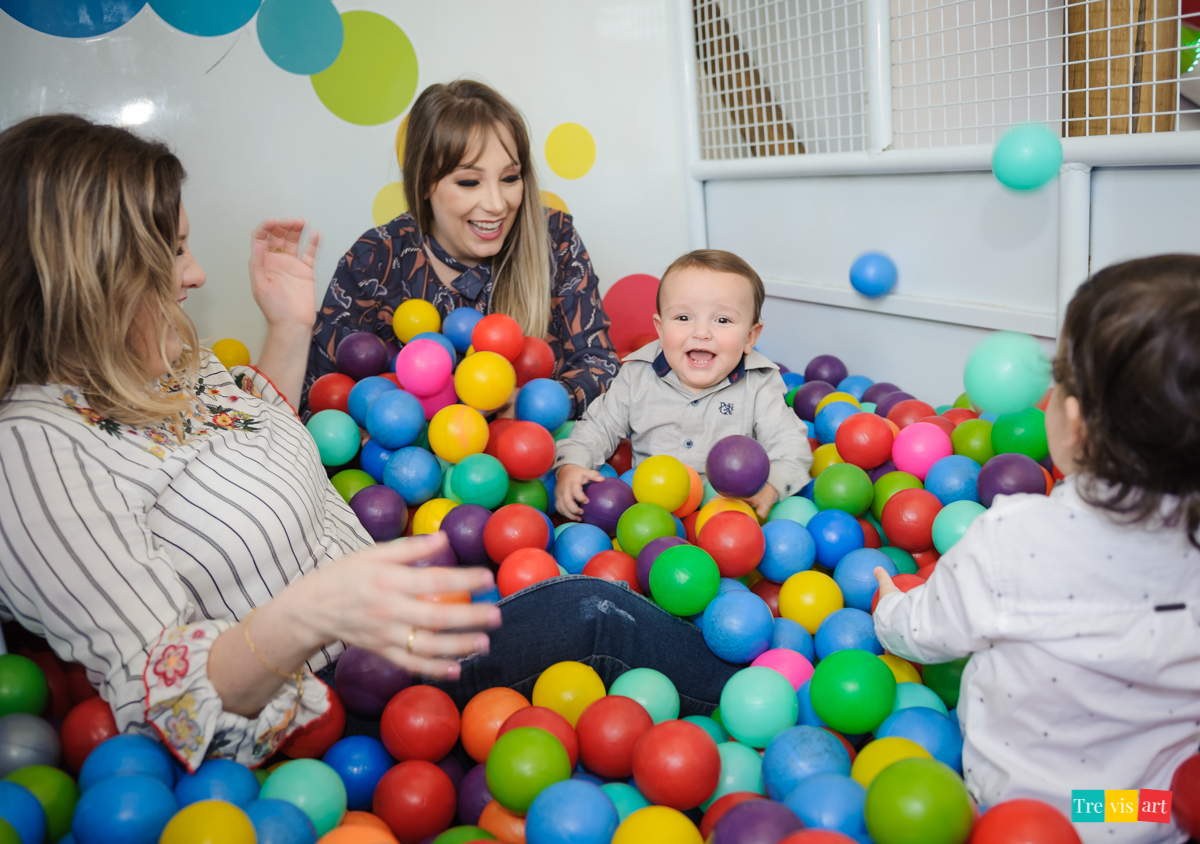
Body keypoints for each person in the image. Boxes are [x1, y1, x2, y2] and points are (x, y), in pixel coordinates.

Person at [0, 114, 499, 772]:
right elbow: (164, 701)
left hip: (408, 640)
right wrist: (311, 613)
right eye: (173, 252)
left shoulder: (172, 358)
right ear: (91, 277)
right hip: (333, 729)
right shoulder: (34, 453)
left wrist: (290, 331)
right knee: (596, 619)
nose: (199, 272)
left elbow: (244, 448)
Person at [872, 256, 1200, 844]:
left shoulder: (1015, 539)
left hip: (1019, 808)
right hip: (1151, 814)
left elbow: (925, 632)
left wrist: (888, 605)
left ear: (1071, 421)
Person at [303, 80, 620, 420]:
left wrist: (528, 408)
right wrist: (375, 430)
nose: (497, 204)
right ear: (424, 183)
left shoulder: (553, 238)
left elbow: (600, 366)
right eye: (470, 182)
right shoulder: (375, 259)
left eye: (510, 178)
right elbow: (318, 396)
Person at [554, 249, 814, 520]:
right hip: (651, 515)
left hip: (728, 517)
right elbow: (598, 427)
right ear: (660, 329)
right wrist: (572, 464)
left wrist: (771, 486)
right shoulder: (636, 376)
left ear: (750, 336)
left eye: (722, 320)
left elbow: (790, 444)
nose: (701, 333)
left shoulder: (759, 384)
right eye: (683, 318)